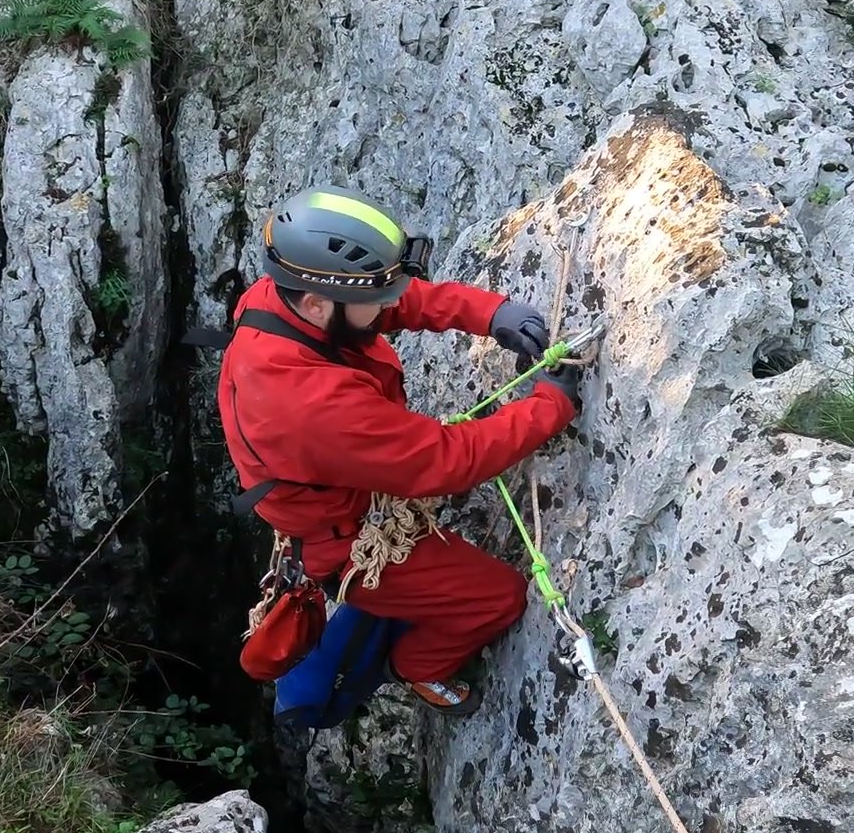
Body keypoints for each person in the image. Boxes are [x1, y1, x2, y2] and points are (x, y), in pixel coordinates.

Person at [214, 185, 584, 714]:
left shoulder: (283, 300)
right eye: (375, 295)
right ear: (318, 301)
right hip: (345, 541)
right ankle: (418, 668)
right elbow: (446, 461)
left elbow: (389, 302)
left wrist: (489, 313)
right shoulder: (311, 406)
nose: (388, 302)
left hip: (340, 493)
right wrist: (550, 404)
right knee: (498, 597)